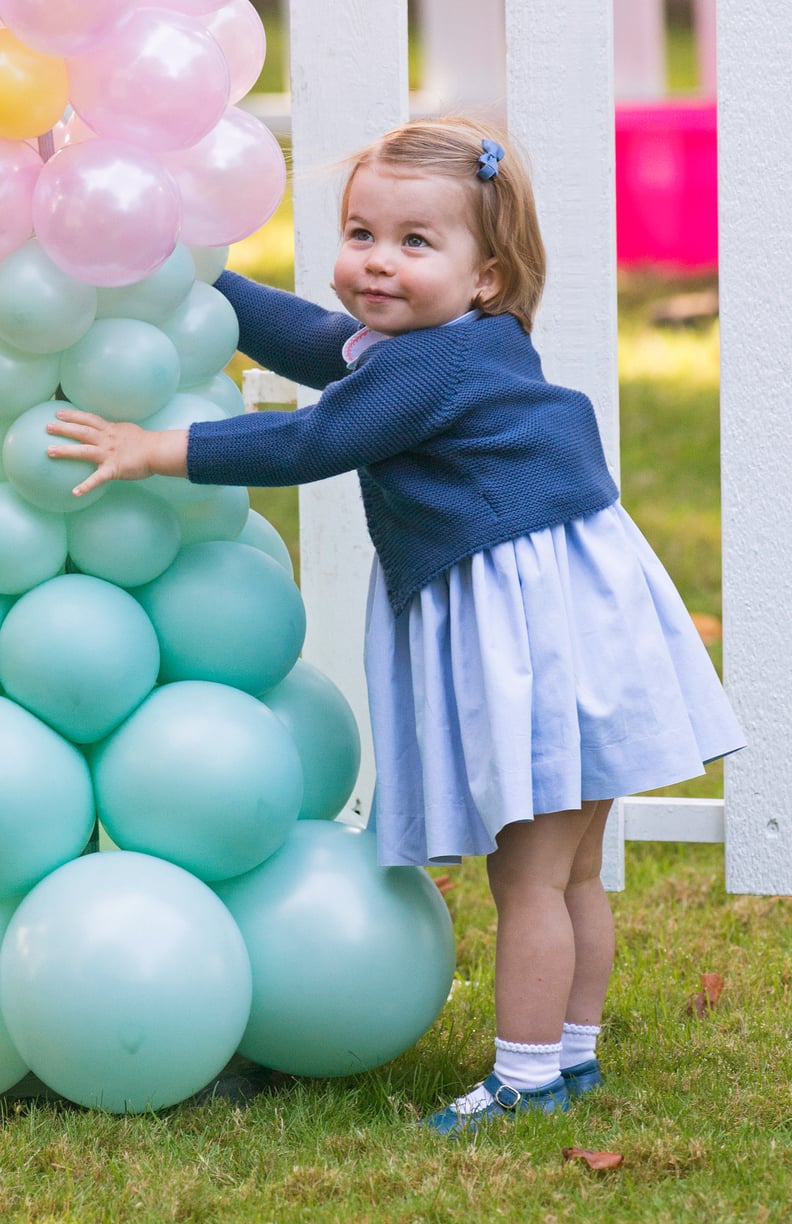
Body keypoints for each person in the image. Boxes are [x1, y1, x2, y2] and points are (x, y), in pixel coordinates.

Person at [47, 116, 744, 1136]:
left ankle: (527, 1075)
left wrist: (156, 447)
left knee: (532, 874)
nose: (377, 262)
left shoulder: (430, 370)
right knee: (574, 866)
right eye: (361, 232)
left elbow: (313, 437)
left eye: (416, 243)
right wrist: (187, 271)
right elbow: (309, 341)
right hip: (575, 615)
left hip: (536, 629)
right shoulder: (450, 343)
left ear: (488, 278)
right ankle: (574, 1051)